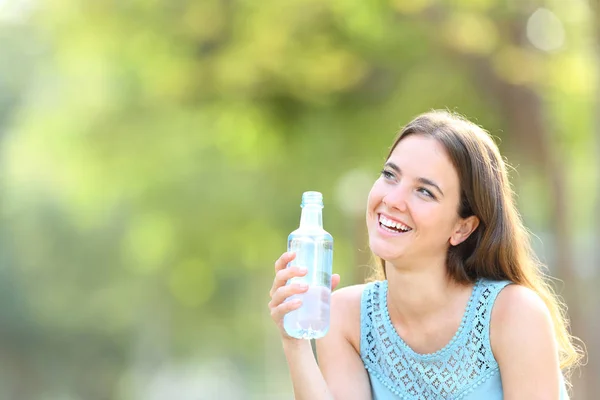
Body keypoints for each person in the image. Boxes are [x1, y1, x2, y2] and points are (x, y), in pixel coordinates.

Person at [268, 110, 582, 399]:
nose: (392, 200)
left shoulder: (515, 314)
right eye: (390, 175)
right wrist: (294, 342)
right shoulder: (344, 316)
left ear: (462, 227)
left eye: (425, 192)